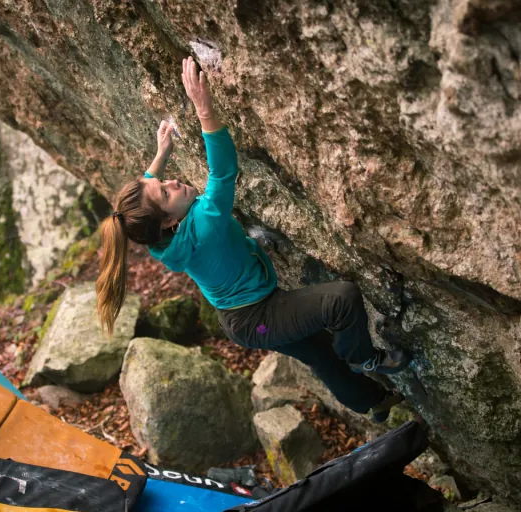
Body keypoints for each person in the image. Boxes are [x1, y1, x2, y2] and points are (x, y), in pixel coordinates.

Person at [96, 57, 411, 422]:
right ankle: (361, 357)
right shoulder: (206, 220)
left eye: (162, 181)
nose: (172, 182)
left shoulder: (158, 240)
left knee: (320, 354)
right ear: (168, 221)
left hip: (243, 319)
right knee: (341, 300)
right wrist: (203, 108)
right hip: (259, 317)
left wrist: (160, 155)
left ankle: (372, 403)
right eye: (166, 193)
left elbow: (146, 197)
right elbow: (223, 169)